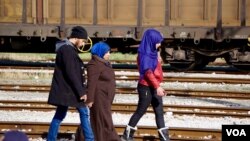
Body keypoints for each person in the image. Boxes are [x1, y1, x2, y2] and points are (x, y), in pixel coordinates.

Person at [121, 29, 170, 141]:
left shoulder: (152, 52)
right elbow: (148, 72)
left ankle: (165, 138)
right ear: (151, 40)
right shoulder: (144, 55)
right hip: (146, 87)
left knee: (159, 112)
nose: (159, 44)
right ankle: (126, 136)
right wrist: (157, 87)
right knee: (140, 111)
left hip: (154, 85)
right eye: (158, 41)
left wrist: (158, 61)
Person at [47, 26, 94, 141]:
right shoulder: (68, 50)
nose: (83, 44)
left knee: (60, 115)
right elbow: (72, 73)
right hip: (70, 91)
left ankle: (51, 139)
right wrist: (81, 92)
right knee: (84, 112)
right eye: (83, 41)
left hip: (67, 90)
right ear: (77, 38)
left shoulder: (67, 49)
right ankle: (90, 139)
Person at [85, 42, 121, 141]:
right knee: (104, 119)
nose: (109, 54)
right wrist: (90, 99)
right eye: (107, 52)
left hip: (105, 97)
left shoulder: (103, 62)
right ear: (100, 52)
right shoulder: (94, 64)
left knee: (99, 119)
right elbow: (91, 83)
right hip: (99, 97)